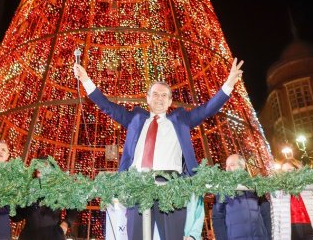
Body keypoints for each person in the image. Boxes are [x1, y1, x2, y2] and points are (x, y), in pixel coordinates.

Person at [73, 58, 244, 240]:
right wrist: (85, 80)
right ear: (147, 98)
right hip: (137, 185)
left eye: (164, 95)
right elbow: (108, 106)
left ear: (170, 101)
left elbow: (207, 109)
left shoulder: (181, 120)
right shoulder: (136, 119)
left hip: (171, 187)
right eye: (155, 94)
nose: (159, 98)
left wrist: (228, 84)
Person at [270, 159, 313, 240]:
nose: (287, 174)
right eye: (284, 171)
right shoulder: (278, 192)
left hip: (312, 230)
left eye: (289, 170)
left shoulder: (310, 189)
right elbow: (275, 220)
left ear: (298, 170)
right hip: (291, 232)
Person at [12, 157, 78, 240]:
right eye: (38, 166)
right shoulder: (27, 188)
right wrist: (12, 203)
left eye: (44, 165)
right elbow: (17, 217)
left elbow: (74, 207)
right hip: (29, 236)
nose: (40, 168)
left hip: (53, 236)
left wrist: (66, 223)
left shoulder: (60, 188)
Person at [212, 154, 270, 240]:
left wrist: (270, 236)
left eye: (232, 165)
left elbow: (266, 214)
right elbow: (218, 219)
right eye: (226, 166)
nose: (228, 168)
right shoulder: (222, 190)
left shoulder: (255, 187)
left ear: (242, 166)